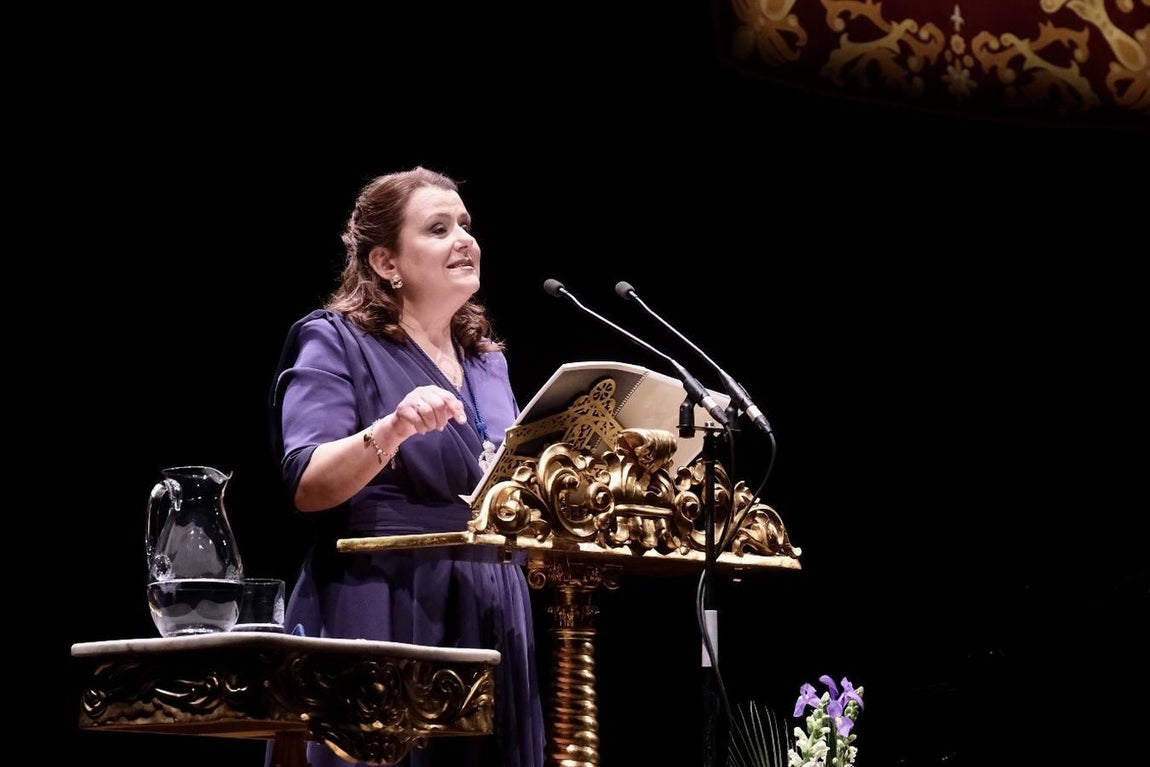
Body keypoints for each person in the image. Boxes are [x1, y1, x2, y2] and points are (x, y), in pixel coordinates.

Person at [268, 166, 546, 767]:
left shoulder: (488, 364)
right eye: (439, 229)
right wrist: (390, 429)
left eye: (466, 226)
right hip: (383, 600)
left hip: (492, 600)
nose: (464, 240)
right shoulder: (335, 340)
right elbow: (309, 485)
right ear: (385, 263)